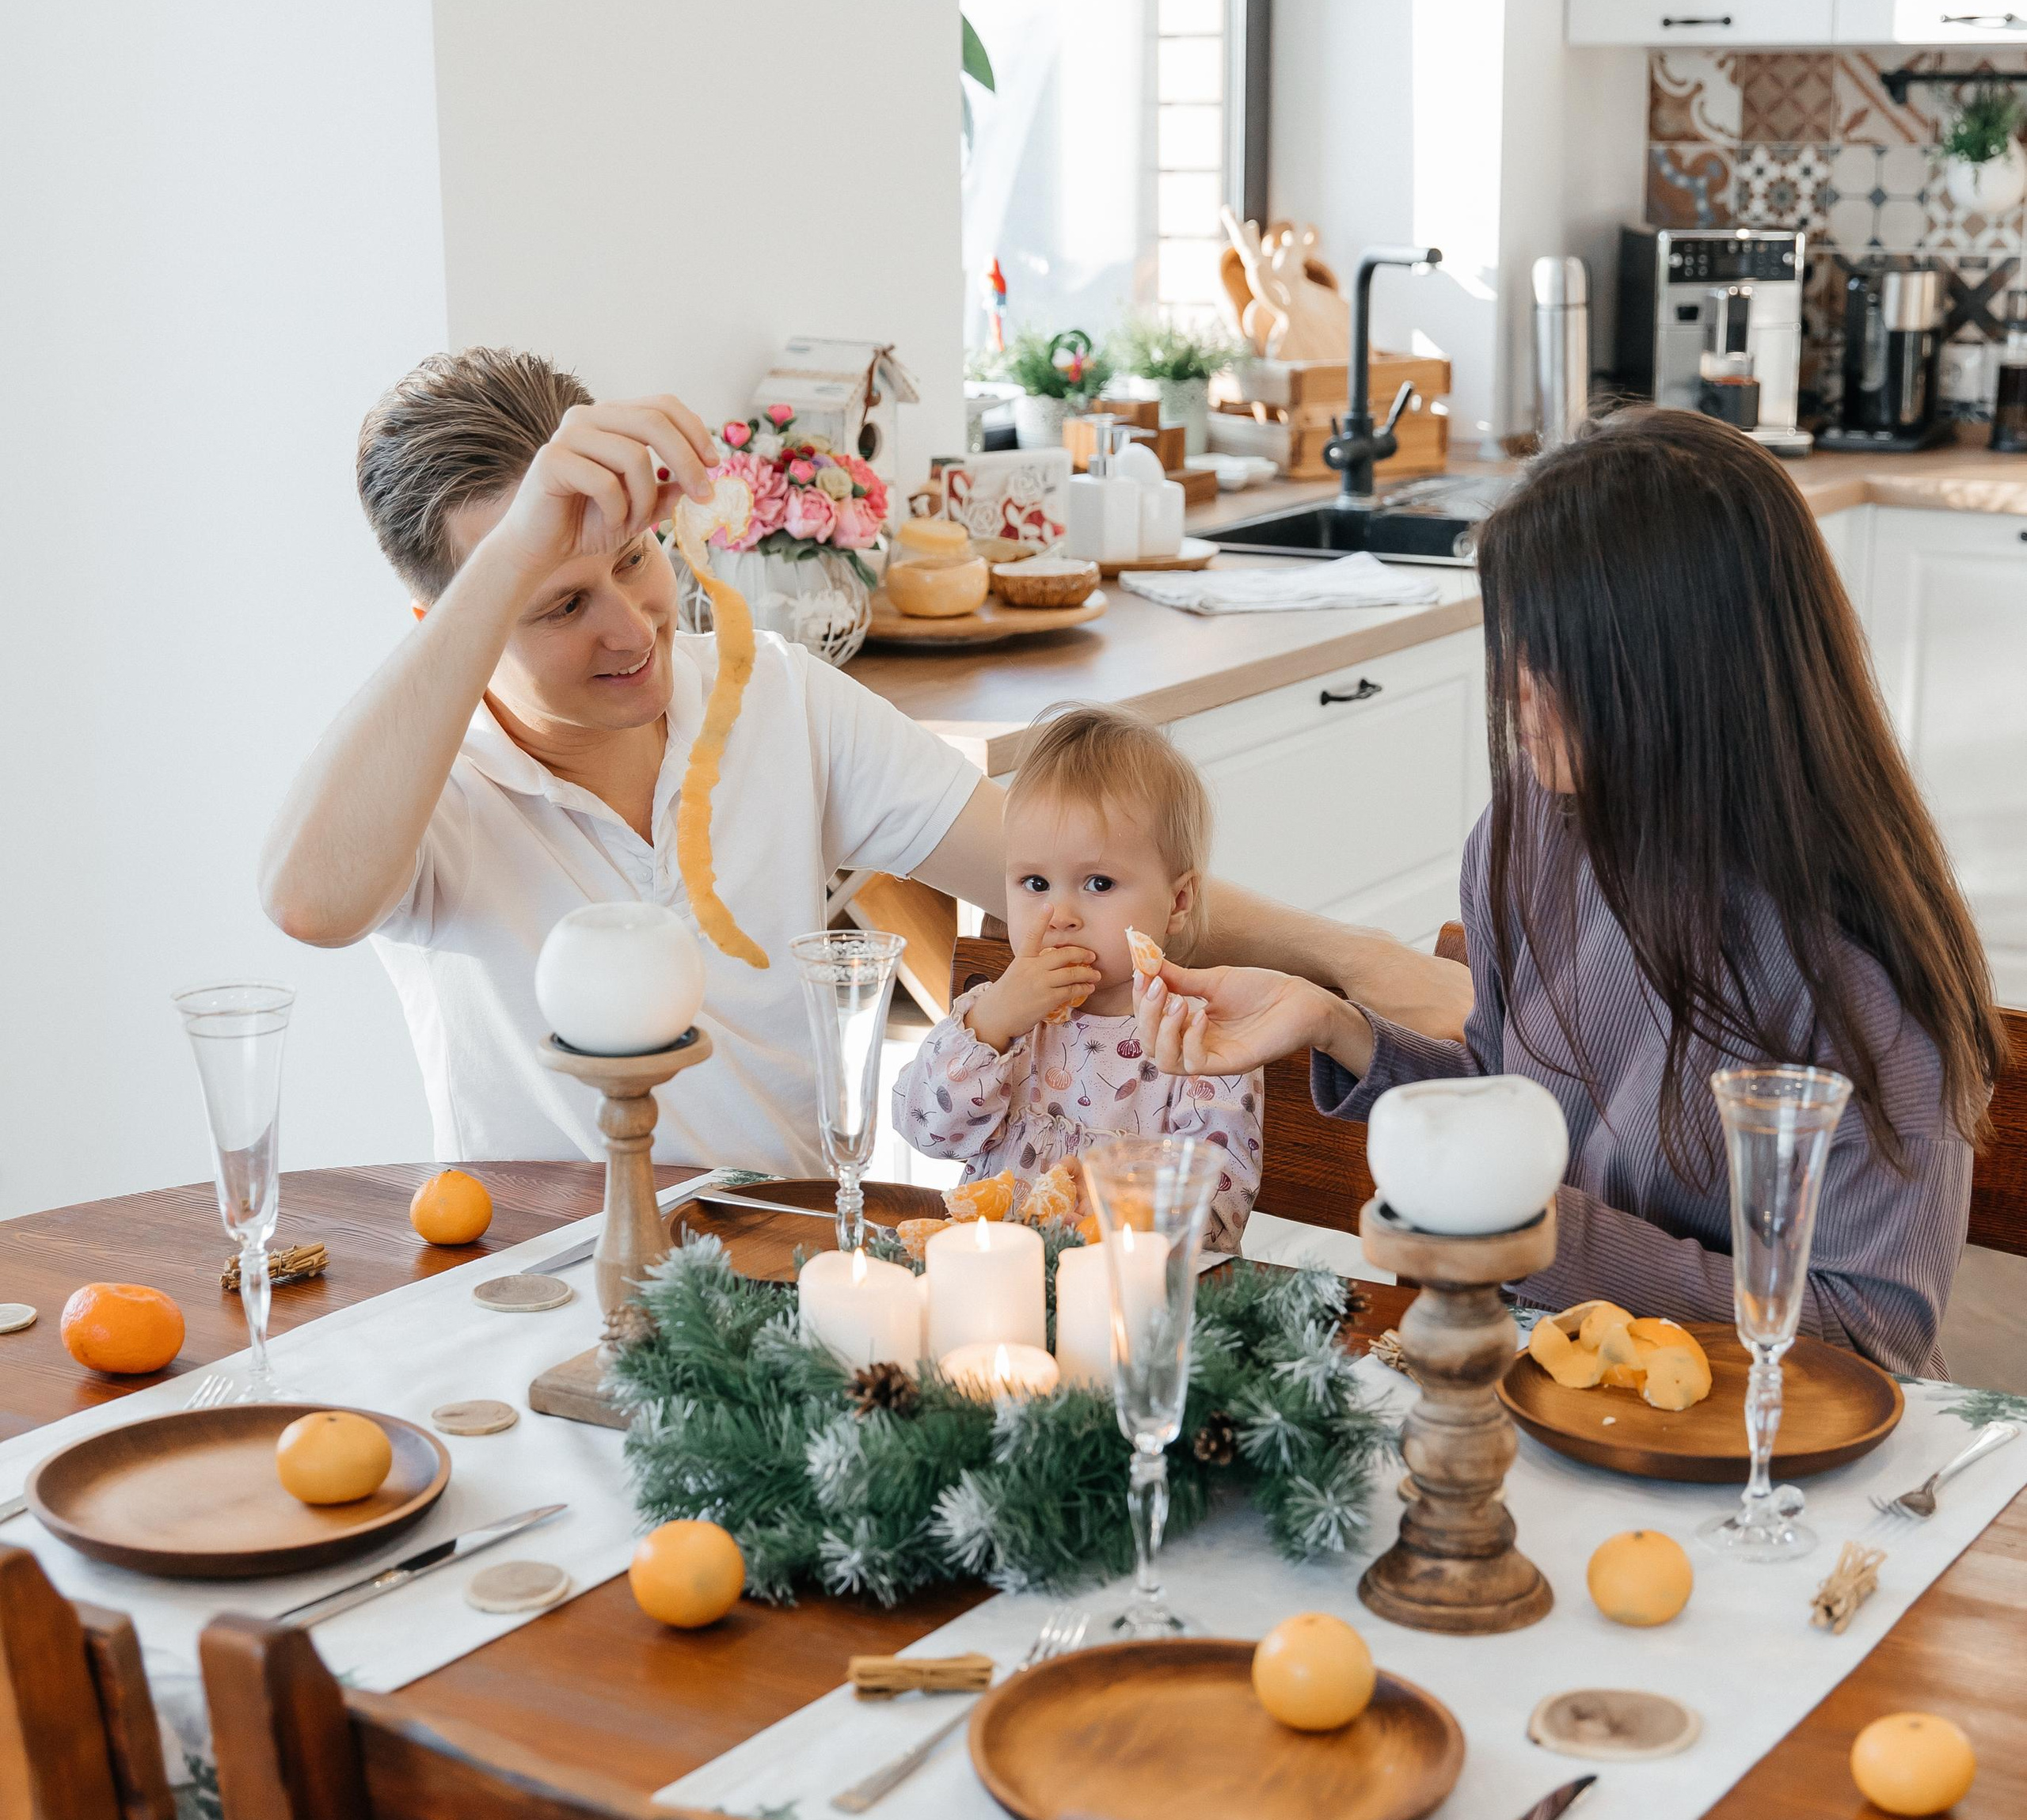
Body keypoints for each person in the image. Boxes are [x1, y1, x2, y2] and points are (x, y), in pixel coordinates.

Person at [262, 350, 1467, 1176]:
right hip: (532, 1291)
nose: (633, 629)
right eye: (557, 601)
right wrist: (510, 553)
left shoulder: (771, 698)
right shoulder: (432, 785)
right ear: (454, 630)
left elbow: (1062, 869)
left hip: (781, 1277)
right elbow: (310, 901)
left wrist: (1364, 963)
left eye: (636, 561)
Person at [1135, 408, 2002, 1376]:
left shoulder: (1857, 972)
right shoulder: (1527, 837)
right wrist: (1340, 1028)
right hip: (1536, 1387)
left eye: (1550, 655)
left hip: (1748, 1460)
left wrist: (1542, 1230)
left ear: (1676, 674)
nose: (1513, 688)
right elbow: (1508, 1108)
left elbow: (1861, 1339)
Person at [892, 705, 1263, 1252]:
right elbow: (925, 1131)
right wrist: (991, 1025)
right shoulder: (999, 1021)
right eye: (1035, 882)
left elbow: (1214, 1217)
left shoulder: (1200, 1039)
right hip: (996, 1290)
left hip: (1127, 1305)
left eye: (1098, 882)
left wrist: (1117, 1204)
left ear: (1178, 901)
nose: (1059, 914)